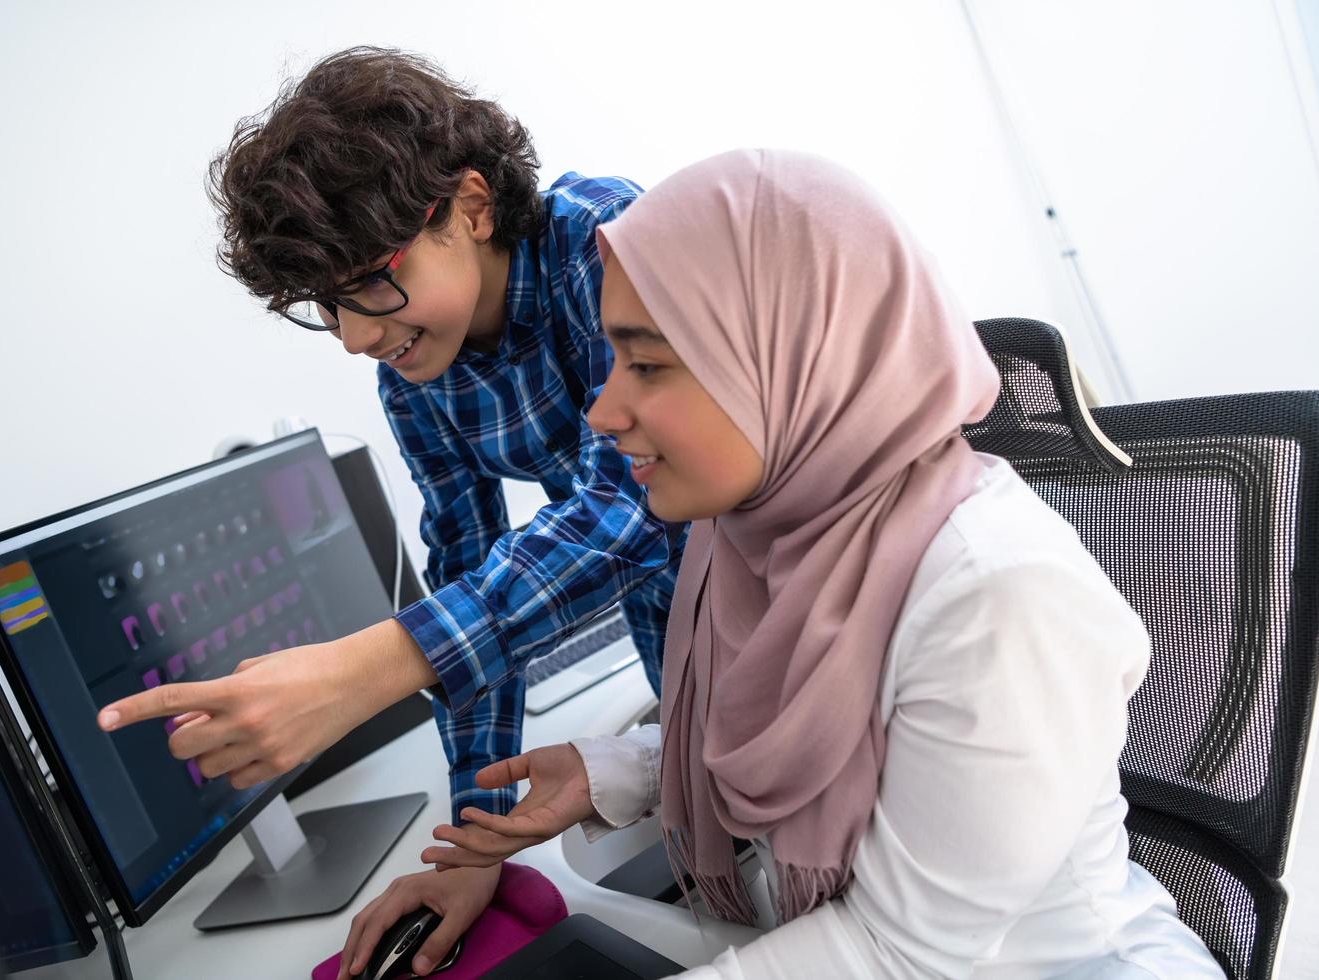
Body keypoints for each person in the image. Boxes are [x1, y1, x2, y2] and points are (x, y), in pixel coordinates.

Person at [413, 149, 1225, 978]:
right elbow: (831, 736)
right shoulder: (761, 537)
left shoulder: (997, 595)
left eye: (647, 364)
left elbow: (897, 952)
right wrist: (614, 771)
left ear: (791, 357)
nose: (603, 410)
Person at [95, 48, 681, 969]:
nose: (358, 337)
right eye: (327, 306)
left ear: (474, 207)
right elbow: (463, 556)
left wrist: (375, 667)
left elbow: (644, 504)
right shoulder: (415, 371)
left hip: (805, 625)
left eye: (371, 279)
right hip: (688, 663)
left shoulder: (610, 245)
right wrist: (474, 840)